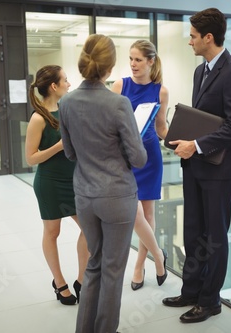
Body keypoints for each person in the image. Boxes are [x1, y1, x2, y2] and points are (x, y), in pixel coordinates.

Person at [161, 8, 231, 324]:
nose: (190, 42)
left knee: (214, 237)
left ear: (208, 38)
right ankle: (191, 290)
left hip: (219, 171)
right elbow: (205, 119)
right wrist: (182, 139)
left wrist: (196, 145)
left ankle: (210, 301)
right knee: (192, 232)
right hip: (195, 166)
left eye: (193, 36)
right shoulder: (201, 71)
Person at [59, 34, 147, 333]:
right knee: (112, 270)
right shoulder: (119, 103)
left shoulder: (66, 101)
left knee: (93, 265)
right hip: (116, 197)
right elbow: (139, 158)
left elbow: (70, 152)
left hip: (85, 195)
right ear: (110, 68)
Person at [24, 65, 89, 306]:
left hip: (74, 181)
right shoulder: (38, 118)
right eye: (65, 80)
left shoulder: (68, 110)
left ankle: (82, 281)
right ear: (54, 86)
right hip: (49, 183)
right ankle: (59, 283)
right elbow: (30, 158)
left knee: (90, 230)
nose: (69, 84)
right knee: (53, 232)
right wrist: (57, 147)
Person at [111, 39, 169, 291]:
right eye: (131, 59)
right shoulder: (119, 85)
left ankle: (139, 265)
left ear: (150, 61)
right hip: (125, 158)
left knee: (148, 213)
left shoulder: (161, 91)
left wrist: (183, 136)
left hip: (150, 157)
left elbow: (162, 128)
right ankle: (158, 255)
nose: (133, 64)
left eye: (138, 59)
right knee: (134, 213)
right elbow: (110, 124)